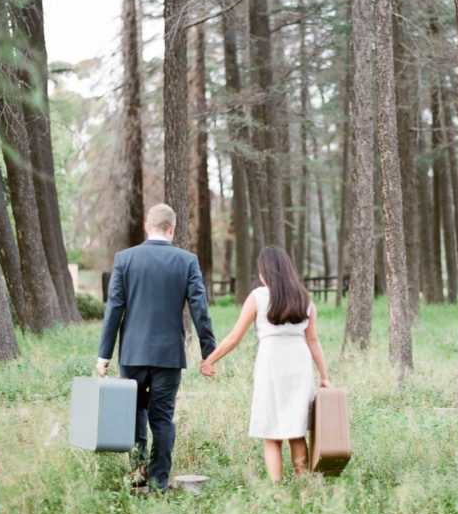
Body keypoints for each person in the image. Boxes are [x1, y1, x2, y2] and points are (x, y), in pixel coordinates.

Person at [96, 203, 216, 492]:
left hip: (132, 354)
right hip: (168, 356)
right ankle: (158, 480)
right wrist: (208, 352)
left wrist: (103, 355)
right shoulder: (187, 261)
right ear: (172, 229)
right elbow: (200, 308)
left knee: (135, 411)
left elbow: (115, 308)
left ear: (146, 227)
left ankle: (138, 473)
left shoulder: (125, 259)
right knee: (162, 417)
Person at [200, 245, 330, 481]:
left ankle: (276, 493)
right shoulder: (305, 298)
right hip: (299, 365)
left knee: (271, 434)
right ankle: (305, 488)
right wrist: (324, 376)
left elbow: (234, 337)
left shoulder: (258, 297)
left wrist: (210, 360)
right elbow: (313, 341)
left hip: (271, 363)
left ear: (265, 272)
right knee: (297, 430)